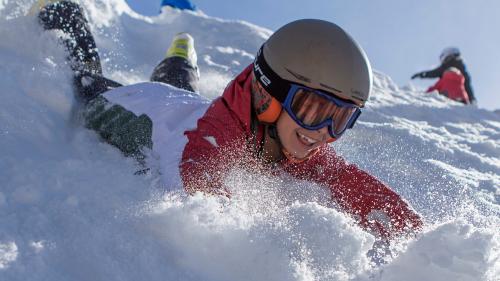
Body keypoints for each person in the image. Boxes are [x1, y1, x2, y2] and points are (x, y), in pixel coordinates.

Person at [38, 1, 423, 242]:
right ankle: (69, 16)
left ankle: (179, 61)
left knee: (179, 89)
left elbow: (347, 180)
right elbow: (201, 201)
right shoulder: (212, 139)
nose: (323, 132)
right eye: (312, 109)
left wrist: (421, 239)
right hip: (138, 108)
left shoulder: (294, 138)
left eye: (341, 119)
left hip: (186, 105)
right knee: (89, 88)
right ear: (267, 94)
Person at [412, 47, 476, 104]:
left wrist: (421, 75)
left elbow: (435, 73)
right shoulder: (463, 72)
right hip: (462, 99)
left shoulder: (448, 65)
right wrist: (471, 99)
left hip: (447, 96)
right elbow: (467, 86)